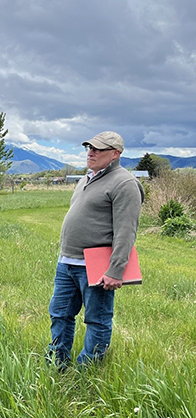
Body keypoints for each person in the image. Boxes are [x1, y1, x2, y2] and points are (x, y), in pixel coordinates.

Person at [47, 131, 145, 367]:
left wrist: (116, 269)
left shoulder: (125, 183)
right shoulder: (86, 178)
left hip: (96, 267)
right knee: (59, 314)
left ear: (115, 154)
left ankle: (87, 372)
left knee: (97, 320)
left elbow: (126, 230)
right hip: (68, 262)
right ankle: (56, 363)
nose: (91, 152)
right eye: (89, 148)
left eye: (98, 149)